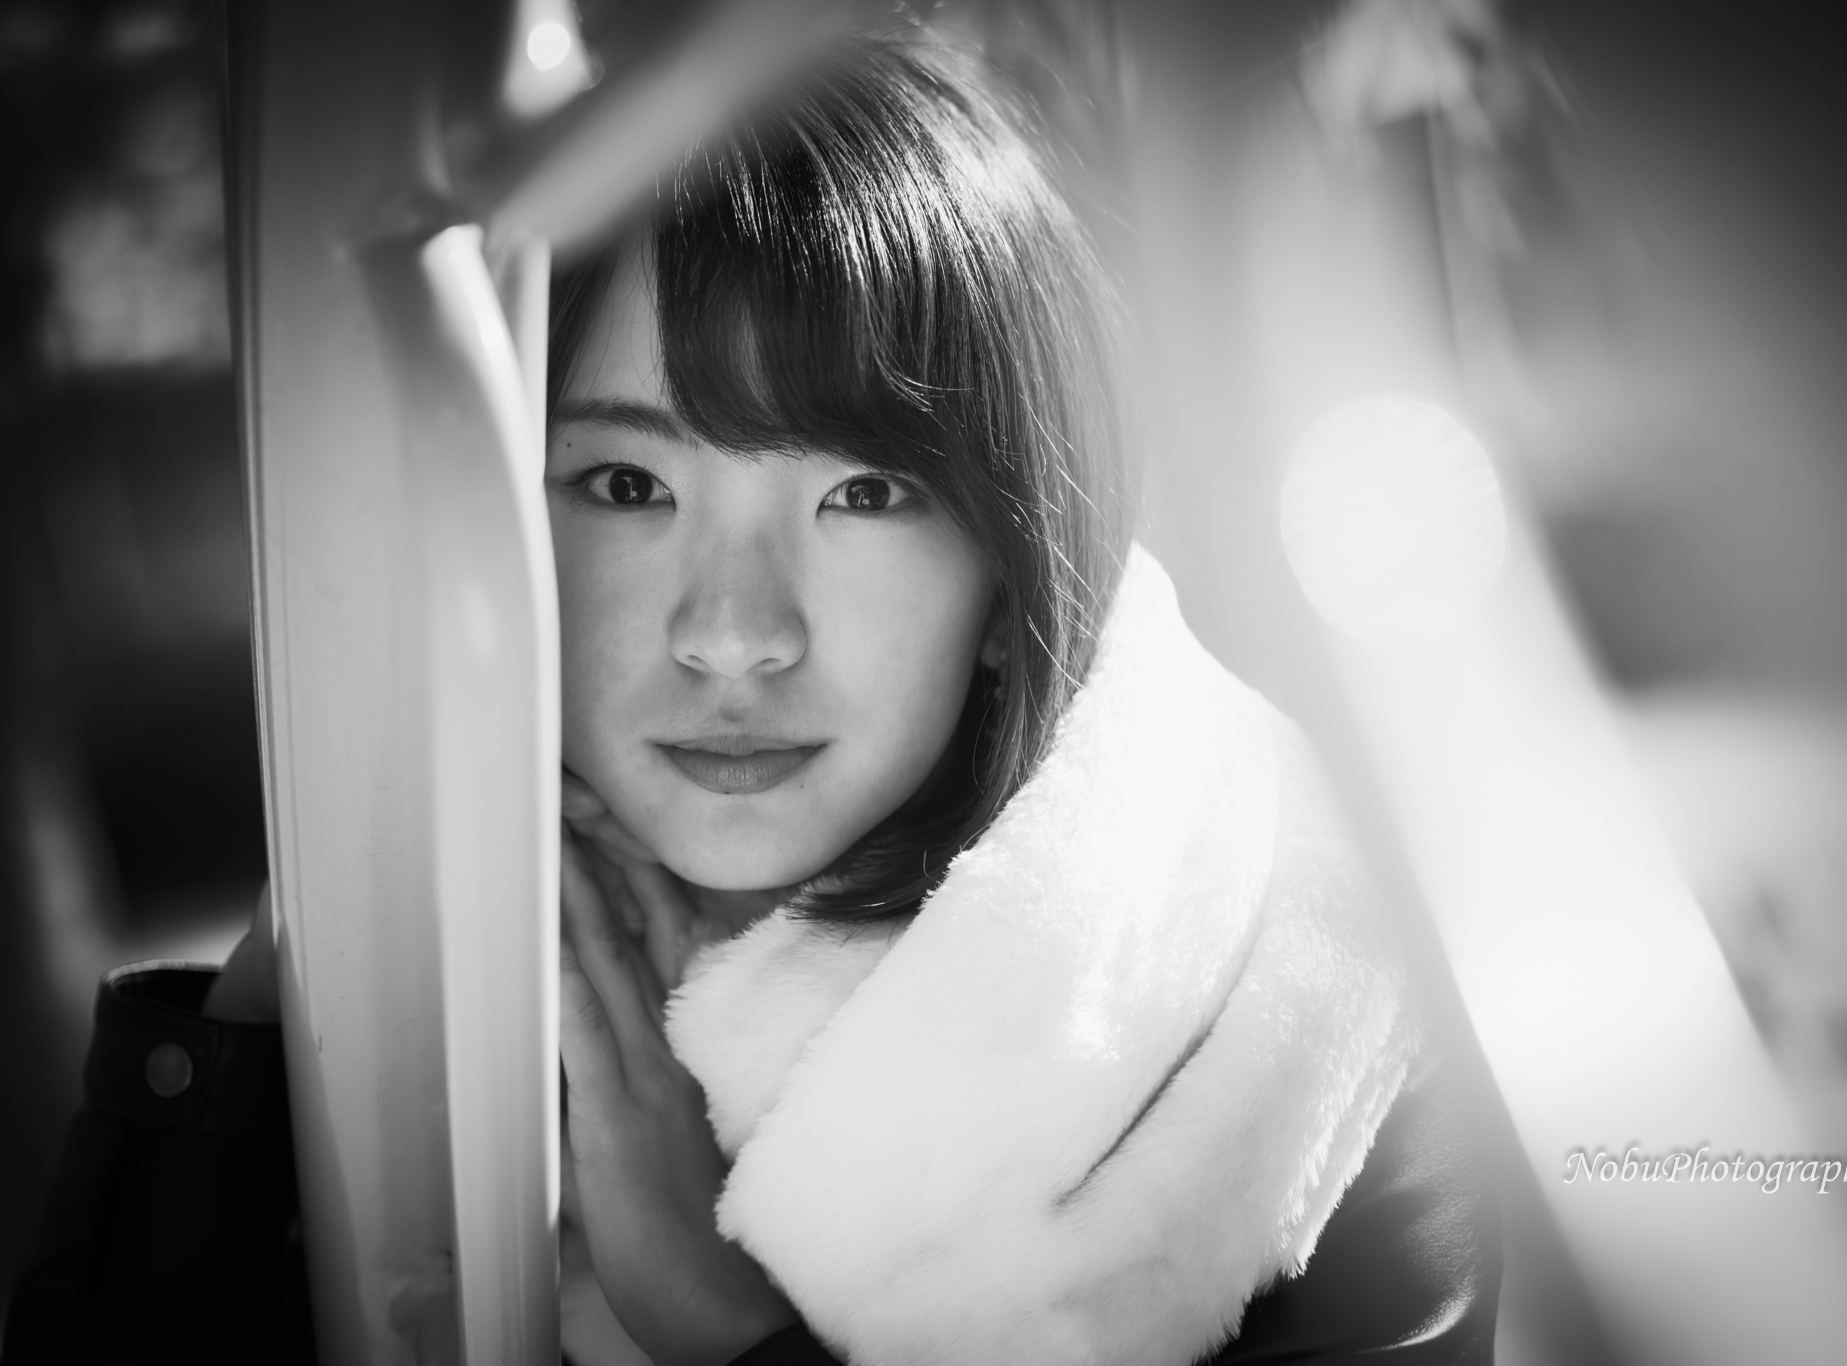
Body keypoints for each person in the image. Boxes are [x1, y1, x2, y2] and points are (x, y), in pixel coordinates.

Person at [4, 31, 1498, 1366]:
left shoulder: (1287, 1006)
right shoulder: (409, 968)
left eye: (863, 493)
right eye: (626, 485)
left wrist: (727, 1325)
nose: (734, 635)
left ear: (1011, 569)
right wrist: (259, 1027)